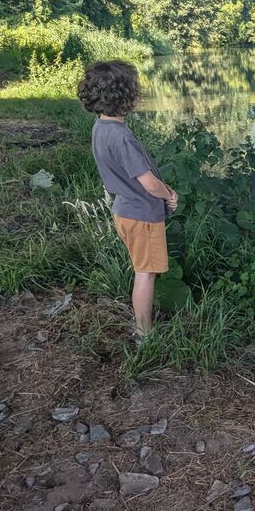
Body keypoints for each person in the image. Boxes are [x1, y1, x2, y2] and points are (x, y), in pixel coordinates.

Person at [77, 60, 178, 340]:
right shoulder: (121, 137)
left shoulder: (101, 127)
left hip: (125, 210)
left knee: (143, 270)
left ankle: (143, 327)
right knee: (145, 274)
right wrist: (168, 194)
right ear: (126, 96)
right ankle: (144, 333)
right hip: (141, 214)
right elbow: (147, 182)